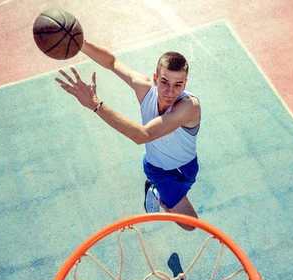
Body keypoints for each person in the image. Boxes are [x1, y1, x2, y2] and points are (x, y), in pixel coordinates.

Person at [55, 40, 201, 231]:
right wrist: (78, 42)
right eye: (164, 82)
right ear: (155, 78)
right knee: (190, 225)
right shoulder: (144, 88)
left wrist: (95, 104)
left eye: (177, 85)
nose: (170, 91)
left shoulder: (189, 107)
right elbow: (112, 62)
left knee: (179, 203)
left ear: (185, 84)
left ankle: (158, 193)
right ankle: (157, 190)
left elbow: (143, 135)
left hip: (187, 166)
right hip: (158, 169)